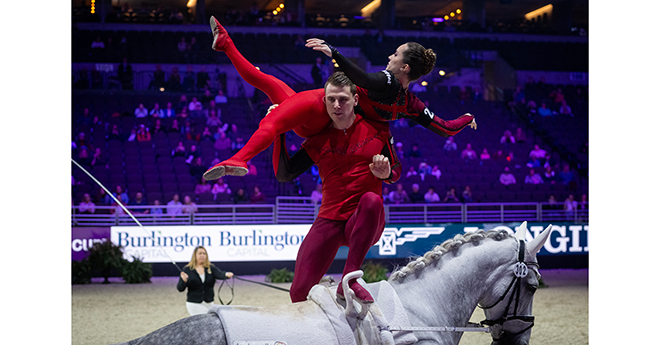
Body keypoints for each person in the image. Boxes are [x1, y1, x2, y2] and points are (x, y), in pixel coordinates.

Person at [202, 16, 476, 181]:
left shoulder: (387, 80)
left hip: (318, 107)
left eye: (395, 55)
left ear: (405, 68)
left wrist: (334, 52)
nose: (389, 57)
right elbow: (444, 128)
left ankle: (240, 159)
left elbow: (365, 80)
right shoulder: (411, 104)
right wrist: (467, 118)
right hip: (321, 124)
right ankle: (225, 43)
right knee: (266, 82)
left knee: (271, 114)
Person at [274, 72, 401, 304]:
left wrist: (387, 174)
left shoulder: (378, 129)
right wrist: (278, 130)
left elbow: (397, 170)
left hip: (363, 221)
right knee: (298, 293)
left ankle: (349, 280)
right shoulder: (318, 139)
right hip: (330, 220)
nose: (336, 104)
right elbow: (285, 174)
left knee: (372, 200)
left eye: (342, 99)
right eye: (331, 99)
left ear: (355, 100)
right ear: (324, 100)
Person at [177, 246, 234, 316]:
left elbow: (220, 274)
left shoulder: (211, 268)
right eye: (200, 253)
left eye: (204, 254)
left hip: (209, 303)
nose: (202, 255)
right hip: (194, 304)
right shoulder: (187, 269)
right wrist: (184, 280)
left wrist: (226, 274)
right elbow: (180, 289)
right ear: (195, 256)